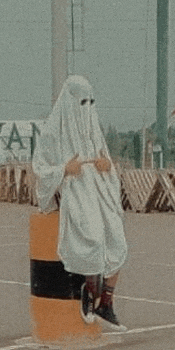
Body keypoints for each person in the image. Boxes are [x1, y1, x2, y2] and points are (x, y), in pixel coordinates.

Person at [32, 75, 128, 331]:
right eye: (81, 101)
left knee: (117, 239)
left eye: (90, 101)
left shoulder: (92, 128)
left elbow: (105, 160)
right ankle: (91, 291)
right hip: (74, 189)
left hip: (98, 188)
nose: (86, 107)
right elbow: (41, 169)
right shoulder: (53, 131)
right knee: (93, 237)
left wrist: (106, 166)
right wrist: (65, 169)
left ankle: (105, 302)